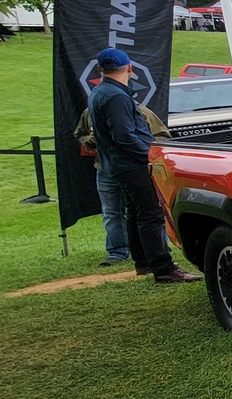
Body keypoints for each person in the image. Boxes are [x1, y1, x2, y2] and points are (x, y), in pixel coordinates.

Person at [87, 48, 201, 283]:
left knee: (135, 212)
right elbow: (124, 136)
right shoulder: (116, 96)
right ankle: (163, 267)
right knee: (150, 214)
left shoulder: (100, 91)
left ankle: (144, 262)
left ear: (101, 69)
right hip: (132, 163)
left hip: (117, 163)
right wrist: (150, 155)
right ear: (129, 67)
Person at [73, 103, 170, 266]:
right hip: (105, 169)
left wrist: (141, 148)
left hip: (134, 169)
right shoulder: (90, 112)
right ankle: (117, 252)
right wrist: (89, 141)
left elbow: (162, 136)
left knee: (144, 211)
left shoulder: (141, 112)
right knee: (111, 211)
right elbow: (79, 134)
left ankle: (156, 248)